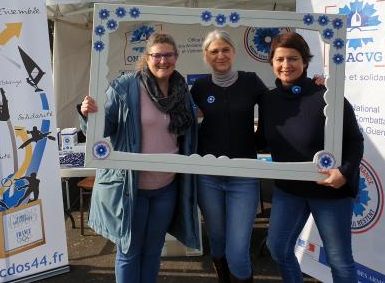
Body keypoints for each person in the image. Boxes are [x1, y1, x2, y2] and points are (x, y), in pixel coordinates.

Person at [79, 32, 200, 283]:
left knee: (153, 251)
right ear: (147, 58)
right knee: (129, 252)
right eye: (157, 55)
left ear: (176, 58)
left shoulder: (182, 92)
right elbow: (102, 131)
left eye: (168, 55)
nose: (163, 61)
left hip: (166, 187)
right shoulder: (125, 87)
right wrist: (88, 115)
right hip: (130, 187)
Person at [259, 32, 364, 283]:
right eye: (280, 59)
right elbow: (260, 140)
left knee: (339, 261)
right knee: (279, 249)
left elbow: (354, 140)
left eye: (293, 58)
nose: (286, 65)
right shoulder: (268, 101)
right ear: (272, 62)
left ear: (305, 61)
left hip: (329, 190)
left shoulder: (327, 94)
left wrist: (345, 172)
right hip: (289, 190)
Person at [190, 30, 267, 283]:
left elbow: (279, 105)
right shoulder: (199, 87)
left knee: (238, 250)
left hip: (243, 176)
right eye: (214, 51)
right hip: (208, 177)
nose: (220, 55)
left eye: (225, 50)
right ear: (206, 56)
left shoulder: (251, 81)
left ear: (234, 52)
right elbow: (176, 116)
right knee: (219, 241)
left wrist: (314, 86)